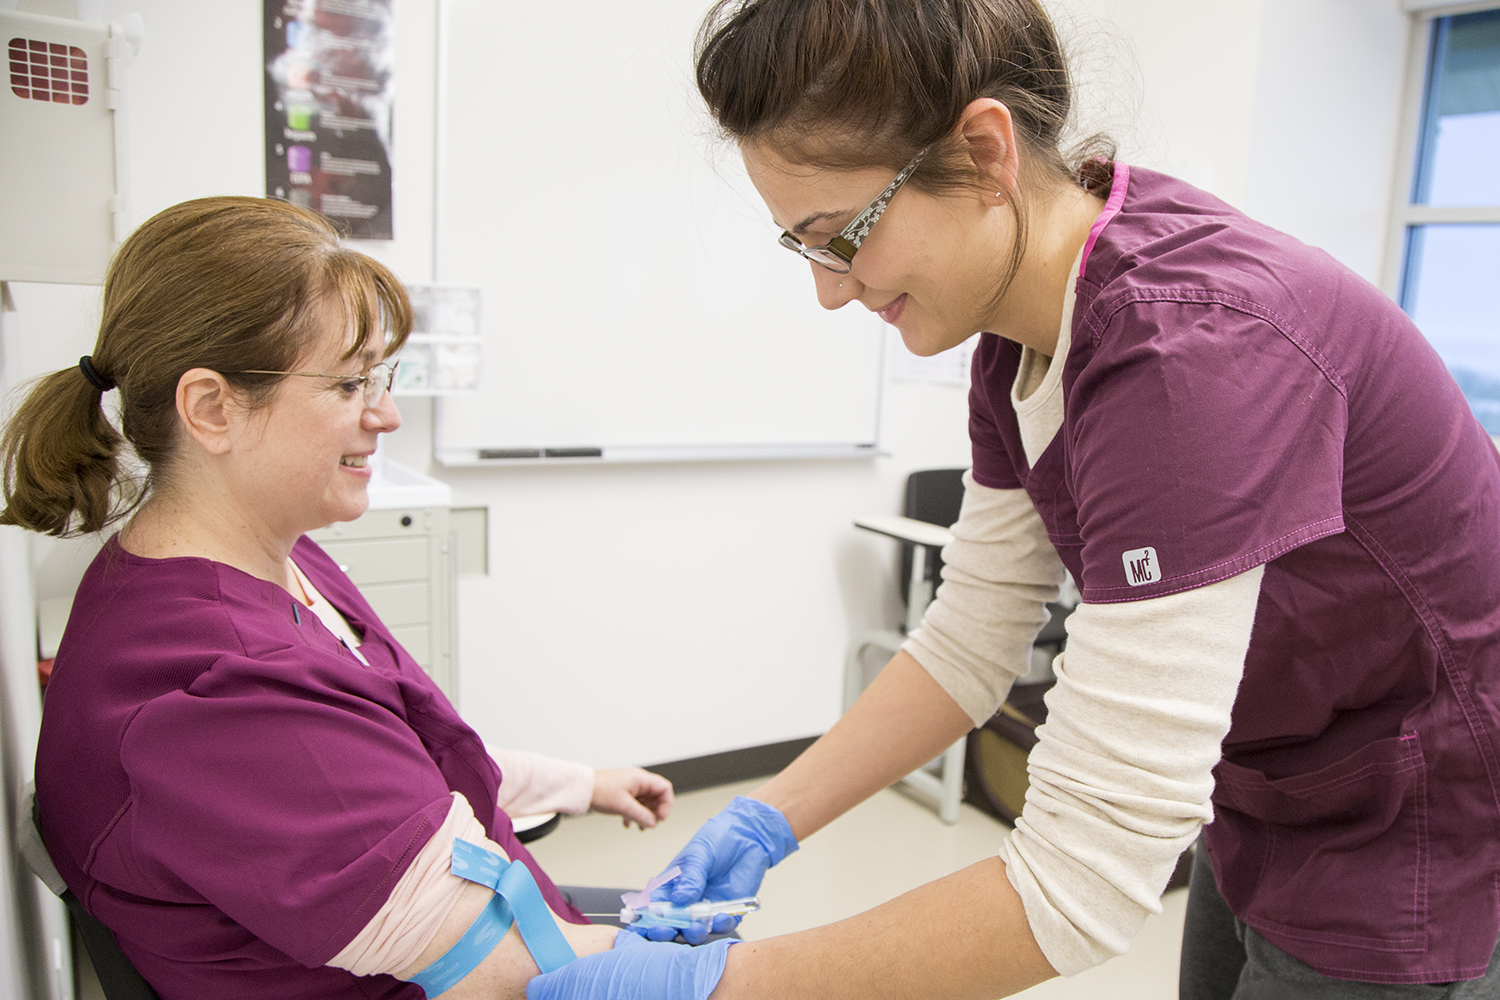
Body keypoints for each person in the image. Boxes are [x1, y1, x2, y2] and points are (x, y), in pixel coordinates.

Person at [526, 1, 1500, 998]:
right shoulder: (1017, 336)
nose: (829, 291)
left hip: (1422, 813)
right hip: (1272, 782)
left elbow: (1084, 877)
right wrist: (767, 815)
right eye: (801, 247)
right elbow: (972, 636)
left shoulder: (1189, 355)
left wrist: (720, 986)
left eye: (841, 235)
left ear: (987, 151)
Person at [2, 196, 675, 1000]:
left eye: (380, 378)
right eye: (352, 382)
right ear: (212, 408)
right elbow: (525, 979)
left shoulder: (261, 563)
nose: (385, 414)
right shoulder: (225, 694)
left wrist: (576, 782)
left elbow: (393, 768)